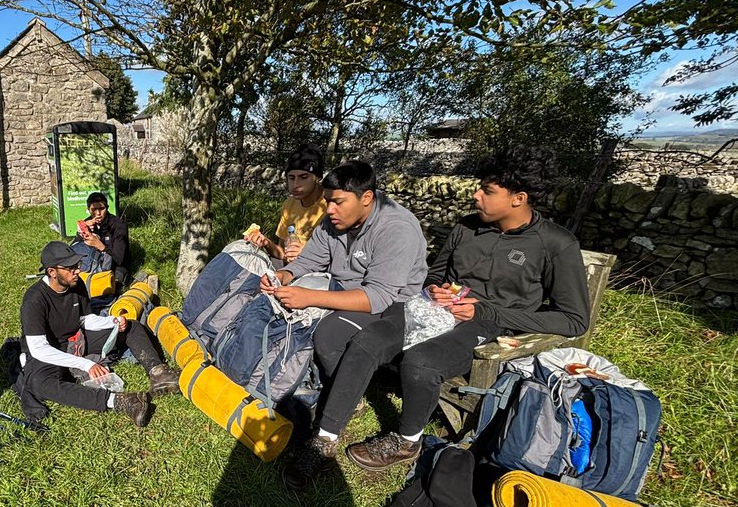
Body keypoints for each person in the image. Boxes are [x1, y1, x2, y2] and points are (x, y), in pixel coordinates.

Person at [293, 152, 591, 485]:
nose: (476, 196)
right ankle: (324, 439)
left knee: (420, 363)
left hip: (489, 324)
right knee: (367, 341)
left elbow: (574, 320)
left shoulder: (556, 244)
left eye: (487, 191)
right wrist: (437, 289)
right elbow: (437, 273)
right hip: (434, 309)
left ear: (518, 199)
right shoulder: (467, 227)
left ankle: (408, 442)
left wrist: (484, 310)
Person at [263, 161, 429, 489]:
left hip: (395, 303)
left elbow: (378, 297)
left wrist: (310, 297)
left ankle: (326, 435)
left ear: (366, 197)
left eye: (338, 202)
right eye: (328, 201)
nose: (330, 209)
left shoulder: (397, 228)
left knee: (330, 335)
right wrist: (284, 274)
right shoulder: (335, 219)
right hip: (348, 291)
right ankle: (346, 393)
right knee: (317, 333)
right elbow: (311, 259)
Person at [17, 241, 178, 427]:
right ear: (52, 272)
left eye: (76, 265)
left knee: (130, 326)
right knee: (39, 384)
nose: (77, 270)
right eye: (70, 268)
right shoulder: (34, 299)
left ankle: (158, 373)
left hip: (75, 340)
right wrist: (86, 364)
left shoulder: (77, 284)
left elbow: (85, 320)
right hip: (48, 353)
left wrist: (113, 321)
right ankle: (120, 401)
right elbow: (38, 349)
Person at [244, 144, 328, 264]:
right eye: (291, 178)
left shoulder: (332, 205)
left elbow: (341, 256)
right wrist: (265, 242)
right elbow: (283, 253)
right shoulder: (289, 205)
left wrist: (307, 254)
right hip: (290, 271)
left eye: (303, 177)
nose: (296, 184)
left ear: (318, 177)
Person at [71, 191, 131, 282]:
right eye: (94, 209)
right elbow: (75, 249)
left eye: (101, 209)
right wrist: (83, 231)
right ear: (88, 209)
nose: (98, 213)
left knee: (117, 278)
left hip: (115, 265)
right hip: (93, 263)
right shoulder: (87, 223)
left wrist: (100, 246)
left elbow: (119, 259)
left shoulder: (118, 226)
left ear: (107, 208)